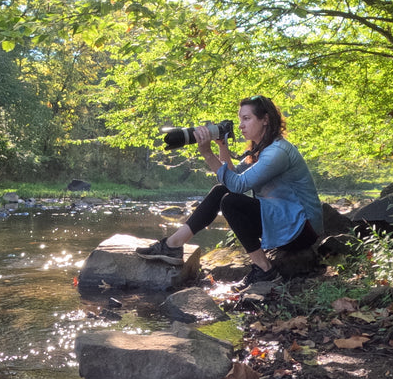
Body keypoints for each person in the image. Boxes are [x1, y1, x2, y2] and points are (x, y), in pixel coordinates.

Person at [136, 95, 323, 288]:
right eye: (240, 119)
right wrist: (221, 146)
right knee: (221, 191)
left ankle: (265, 270)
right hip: (284, 220)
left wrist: (207, 153)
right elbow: (231, 176)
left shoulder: (278, 152)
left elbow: (238, 185)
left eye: (247, 119)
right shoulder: (262, 149)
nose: (241, 125)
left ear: (265, 120)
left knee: (230, 202)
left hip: (303, 228)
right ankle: (173, 245)